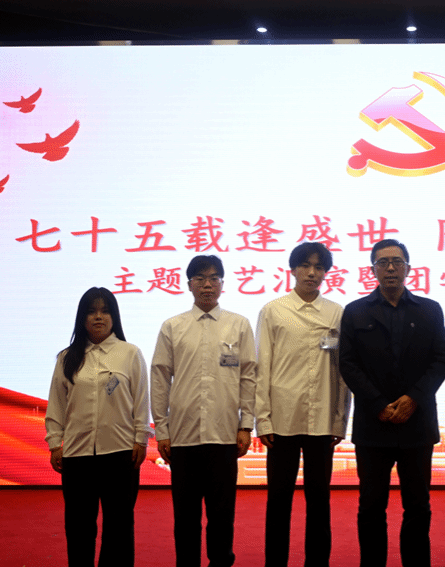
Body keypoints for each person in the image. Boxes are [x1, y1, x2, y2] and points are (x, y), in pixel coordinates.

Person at [339, 238, 445, 567]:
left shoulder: (429, 309)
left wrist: (413, 398)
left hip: (417, 424)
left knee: (418, 505)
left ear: (408, 268)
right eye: (383, 262)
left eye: (397, 262)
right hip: (374, 425)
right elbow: (348, 364)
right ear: (372, 269)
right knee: (371, 506)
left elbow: (440, 360)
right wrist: (378, 403)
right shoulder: (355, 311)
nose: (390, 268)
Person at [151, 255, 256, 567]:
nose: (207, 285)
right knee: (185, 515)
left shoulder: (238, 325)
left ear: (223, 284)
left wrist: (246, 425)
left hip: (224, 434)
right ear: (189, 285)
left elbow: (249, 376)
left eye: (213, 278)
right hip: (183, 436)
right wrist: (162, 430)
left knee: (222, 513)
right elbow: (160, 379)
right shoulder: (173, 327)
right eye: (200, 279)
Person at [255, 242, 351, 567]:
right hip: (282, 421)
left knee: (319, 501)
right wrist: (263, 419)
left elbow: (342, 372)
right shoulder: (273, 310)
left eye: (319, 267)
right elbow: (262, 367)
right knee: (278, 501)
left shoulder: (336, 313)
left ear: (326, 272)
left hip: (322, 421)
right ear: (293, 269)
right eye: (305, 266)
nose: (312, 273)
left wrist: (340, 420)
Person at [45, 287, 150, 567]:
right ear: (82, 318)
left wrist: (141, 438)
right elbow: (57, 403)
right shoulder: (67, 357)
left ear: (114, 316)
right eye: (91, 312)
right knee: (79, 526)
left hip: (121, 453)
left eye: (105, 311)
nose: (98, 317)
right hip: (77, 455)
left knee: (119, 526)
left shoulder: (130, 353)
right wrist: (55, 443)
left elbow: (142, 399)